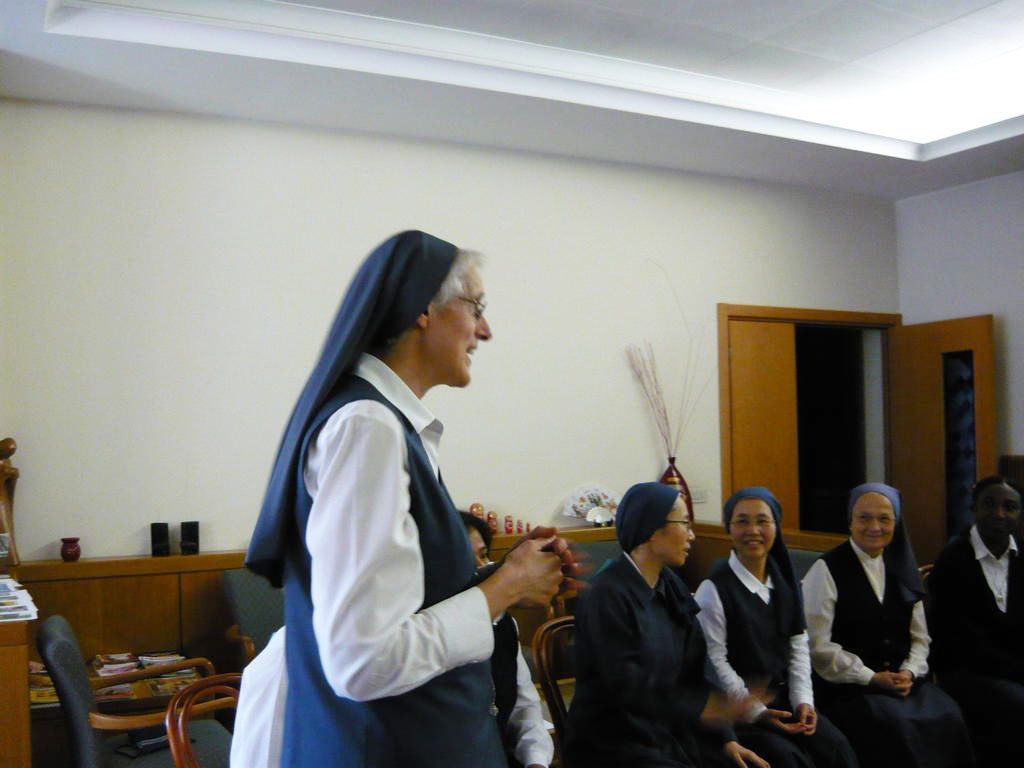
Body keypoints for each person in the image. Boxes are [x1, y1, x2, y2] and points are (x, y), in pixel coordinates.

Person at [244, 231, 574, 768]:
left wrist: (505, 576)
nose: (485, 331)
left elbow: (409, 606)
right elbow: (365, 660)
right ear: (423, 308)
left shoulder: (384, 424)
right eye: (476, 307)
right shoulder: (367, 426)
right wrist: (506, 586)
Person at [564, 481, 768, 768]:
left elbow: (697, 666)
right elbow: (626, 688)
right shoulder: (605, 595)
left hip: (667, 732)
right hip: (614, 743)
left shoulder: (670, 584)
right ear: (651, 529)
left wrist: (725, 736)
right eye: (684, 524)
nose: (692, 535)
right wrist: (704, 709)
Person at [801, 483, 974, 768]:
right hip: (850, 687)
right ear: (850, 521)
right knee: (894, 726)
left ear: (896, 523)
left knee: (949, 714)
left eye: (884, 518)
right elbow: (817, 646)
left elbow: (920, 638)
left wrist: (909, 671)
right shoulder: (826, 569)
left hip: (904, 685)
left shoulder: (903, 569)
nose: (874, 527)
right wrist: (871, 677)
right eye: (864, 518)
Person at [695, 487, 858, 768]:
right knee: (788, 758)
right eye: (742, 521)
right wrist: (757, 711)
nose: (753, 530)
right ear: (729, 528)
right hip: (739, 709)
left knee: (836, 748)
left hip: (785, 700)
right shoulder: (713, 589)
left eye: (763, 521)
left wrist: (803, 701)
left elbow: (798, 645)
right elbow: (715, 661)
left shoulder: (784, 580)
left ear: (776, 526)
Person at [929, 475, 1024, 767]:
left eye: (1010, 507)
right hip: (966, 671)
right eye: (989, 504)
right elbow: (960, 641)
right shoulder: (953, 560)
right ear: (974, 509)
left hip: (1014, 669)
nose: (999, 514)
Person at [460, 512, 554, 768]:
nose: (481, 568)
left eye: (484, 555)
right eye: (466, 561)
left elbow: (524, 709)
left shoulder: (503, 624)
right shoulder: (428, 634)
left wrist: (536, 760)